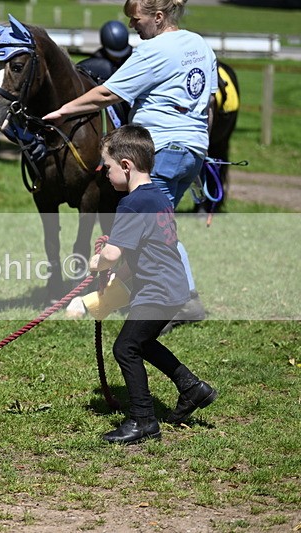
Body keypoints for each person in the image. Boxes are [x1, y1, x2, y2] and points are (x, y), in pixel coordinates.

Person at [43, 0, 214, 333]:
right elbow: (207, 103)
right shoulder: (200, 45)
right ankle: (186, 299)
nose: (133, 26)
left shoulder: (154, 50)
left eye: (136, 20)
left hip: (162, 149)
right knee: (161, 228)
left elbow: (108, 93)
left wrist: (65, 111)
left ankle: (159, 307)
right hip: (192, 150)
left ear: (158, 17)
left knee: (147, 232)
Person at [89, 124, 217, 445]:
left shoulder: (132, 204)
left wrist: (97, 262)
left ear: (126, 166)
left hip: (158, 291)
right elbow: (144, 249)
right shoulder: (157, 196)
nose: (104, 173)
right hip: (172, 288)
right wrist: (119, 277)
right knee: (143, 343)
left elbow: (114, 253)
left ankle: (144, 421)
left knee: (126, 348)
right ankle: (191, 388)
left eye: (108, 166)